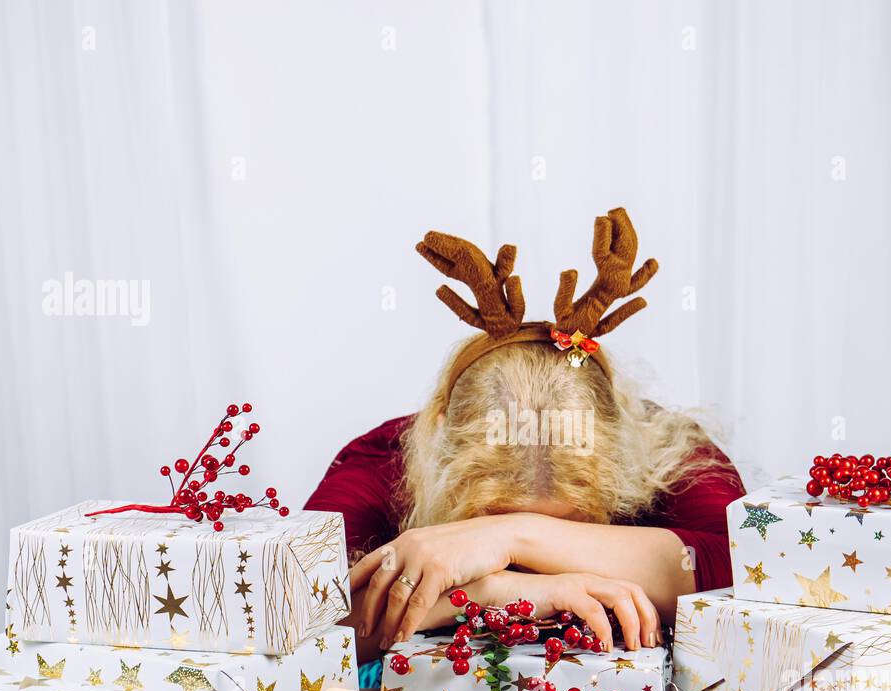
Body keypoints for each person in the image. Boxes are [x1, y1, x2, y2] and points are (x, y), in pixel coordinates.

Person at [304, 208, 745, 665]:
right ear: (437, 444)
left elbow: (748, 568)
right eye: (490, 516)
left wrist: (509, 536)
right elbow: (293, 610)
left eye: (567, 523)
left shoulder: (677, 454)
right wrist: (503, 590)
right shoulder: (379, 461)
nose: (518, 549)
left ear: (622, 449)